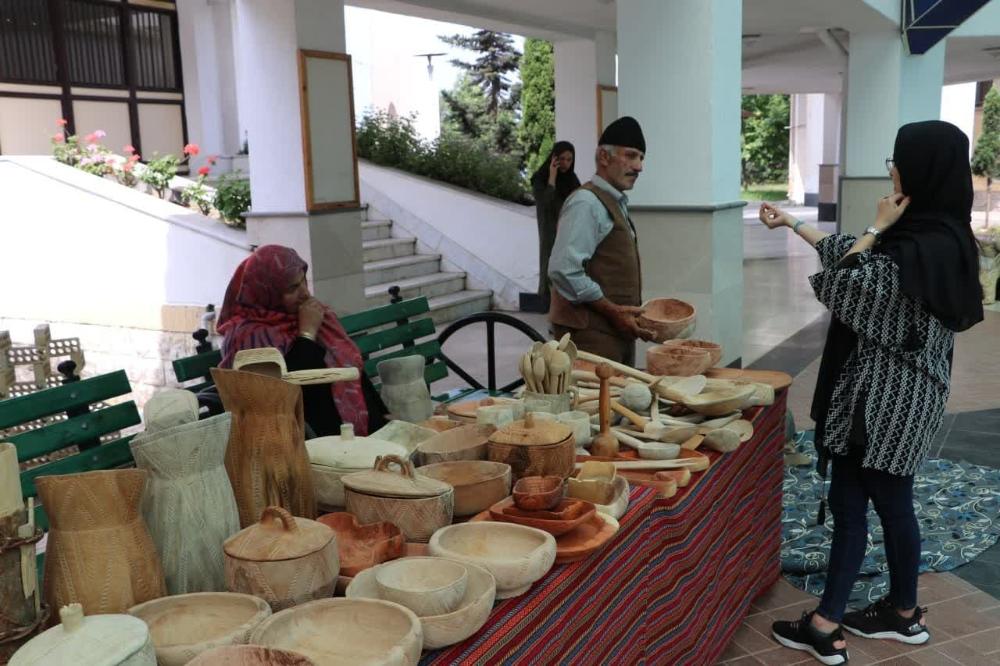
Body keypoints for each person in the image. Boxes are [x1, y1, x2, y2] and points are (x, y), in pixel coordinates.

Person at [764, 120, 983, 665]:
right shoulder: (944, 237)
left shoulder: (910, 249)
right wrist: (792, 222)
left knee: (850, 504)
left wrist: (873, 224)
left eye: (898, 159)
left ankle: (825, 625)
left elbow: (844, 281)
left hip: (878, 403)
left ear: (923, 168)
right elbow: (852, 254)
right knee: (894, 503)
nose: (891, 168)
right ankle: (903, 614)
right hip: (915, 397)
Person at [217, 245, 388, 437]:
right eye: (292, 288)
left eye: (303, 281)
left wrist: (382, 414)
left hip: (351, 432)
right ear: (266, 292)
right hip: (307, 439)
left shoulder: (309, 315)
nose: (305, 293)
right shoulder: (247, 337)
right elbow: (282, 395)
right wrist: (307, 334)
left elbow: (352, 370)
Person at [547, 116, 654, 365]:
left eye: (641, 158)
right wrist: (612, 311)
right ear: (604, 157)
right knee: (594, 404)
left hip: (615, 336)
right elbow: (563, 270)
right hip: (589, 340)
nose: (639, 167)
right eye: (630, 155)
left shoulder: (613, 201)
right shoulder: (586, 203)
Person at [531, 141, 580, 310]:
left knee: (568, 273)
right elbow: (545, 204)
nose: (566, 163)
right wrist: (552, 178)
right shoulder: (540, 178)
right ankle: (554, 313)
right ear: (554, 158)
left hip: (568, 232)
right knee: (551, 272)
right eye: (562, 159)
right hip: (550, 232)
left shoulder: (572, 179)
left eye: (569, 159)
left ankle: (563, 312)